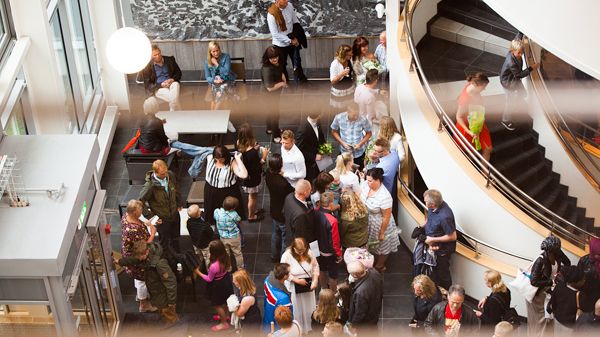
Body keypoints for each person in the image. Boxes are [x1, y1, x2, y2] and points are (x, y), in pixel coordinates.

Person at [115, 240, 179, 325]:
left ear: (147, 251)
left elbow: (171, 283)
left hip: (163, 295)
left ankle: (174, 328)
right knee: (162, 311)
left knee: (168, 314)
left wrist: (172, 302)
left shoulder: (159, 263)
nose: (140, 259)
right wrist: (119, 262)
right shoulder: (143, 253)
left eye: (141, 256)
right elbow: (134, 259)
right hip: (156, 291)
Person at [527, 235, 571, 337]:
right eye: (547, 250)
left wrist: (561, 274)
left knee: (547, 320)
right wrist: (550, 282)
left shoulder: (558, 253)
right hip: (537, 296)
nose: (549, 252)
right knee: (537, 322)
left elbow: (567, 263)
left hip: (548, 292)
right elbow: (533, 281)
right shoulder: (540, 260)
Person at [120, 200, 158, 313]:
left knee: (138, 278)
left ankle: (140, 295)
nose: (142, 212)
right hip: (137, 259)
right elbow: (143, 247)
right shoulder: (133, 230)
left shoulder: (126, 216)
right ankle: (143, 303)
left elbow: (141, 220)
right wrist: (152, 233)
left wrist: (148, 223)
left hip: (131, 255)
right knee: (142, 280)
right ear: (134, 212)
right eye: (140, 210)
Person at [360, 168, 400, 272]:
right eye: (367, 180)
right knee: (368, 243)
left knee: (382, 246)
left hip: (380, 224)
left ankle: (380, 265)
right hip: (367, 221)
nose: (367, 182)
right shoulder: (365, 184)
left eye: (370, 180)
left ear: (378, 180)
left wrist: (382, 232)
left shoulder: (385, 196)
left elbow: (386, 216)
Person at [139, 159, 182, 251]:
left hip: (174, 214)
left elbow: (176, 188)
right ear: (155, 172)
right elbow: (140, 202)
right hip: (161, 219)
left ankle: (178, 255)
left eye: (166, 171)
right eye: (162, 174)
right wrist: (152, 217)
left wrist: (179, 202)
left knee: (176, 238)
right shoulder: (149, 186)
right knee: (164, 241)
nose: (165, 175)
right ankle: (166, 258)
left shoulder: (170, 175)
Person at [280, 238, 320, 333]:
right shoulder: (287, 256)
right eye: (299, 251)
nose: (301, 253)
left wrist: (315, 280)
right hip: (294, 286)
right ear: (294, 249)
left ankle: (309, 327)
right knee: (297, 308)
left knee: (309, 306)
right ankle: (299, 329)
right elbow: (282, 272)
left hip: (307, 285)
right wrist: (296, 280)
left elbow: (315, 267)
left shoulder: (309, 252)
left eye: (303, 251)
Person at [499, 38, 540, 131]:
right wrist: (532, 68)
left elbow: (518, 36)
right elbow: (519, 75)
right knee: (509, 103)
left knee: (523, 94)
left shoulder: (515, 53)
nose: (521, 54)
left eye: (522, 52)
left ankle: (515, 105)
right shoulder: (511, 62)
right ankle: (505, 120)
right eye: (519, 52)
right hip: (508, 83)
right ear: (512, 50)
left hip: (514, 80)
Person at [193, 240, 234, 331]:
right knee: (224, 301)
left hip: (218, 285)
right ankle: (226, 316)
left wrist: (198, 272)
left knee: (217, 304)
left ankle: (224, 323)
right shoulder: (226, 257)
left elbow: (209, 279)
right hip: (225, 280)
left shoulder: (214, 266)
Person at [203, 145, 248, 226]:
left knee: (230, 214)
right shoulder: (210, 157)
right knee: (211, 214)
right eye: (217, 159)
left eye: (221, 159)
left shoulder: (232, 162)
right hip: (211, 191)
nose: (219, 161)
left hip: (228, 192)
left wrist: (238, 159)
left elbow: (244, 175)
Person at [422, 189, 457, 290]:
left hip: (442, 251)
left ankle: (448, 294)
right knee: (434, 272)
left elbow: (452, 236)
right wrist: (421, 227)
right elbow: (429, 218)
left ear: (432, 204)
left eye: (425, 201)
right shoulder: (432, 207)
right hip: (432, 245)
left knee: (443, 274)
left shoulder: (445, 216)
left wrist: (432, 239)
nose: (424, 202)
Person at [266, 0, 307, 83]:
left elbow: (295, 22)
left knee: (297, 62)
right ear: (277, 1)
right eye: (284, 0)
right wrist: (290, 41)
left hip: (293, 38)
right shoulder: (271, 15)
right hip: (280, 44)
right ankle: (285, 83)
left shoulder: (289, 6)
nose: (287, 1)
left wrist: (296, 36)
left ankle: (302, 81)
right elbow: (275, 34)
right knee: (282, 65)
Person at [455, 72, 493, 161]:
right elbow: (458, 116)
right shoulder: (465, 99)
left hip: (477, 121)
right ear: (477, 85)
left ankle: (484, 172)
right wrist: (469, 132)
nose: (484, 89)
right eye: (483, 87)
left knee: (488, 148)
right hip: (468, 126)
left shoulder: (472, 84)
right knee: (469, 151)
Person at [266, 154, 296, 261]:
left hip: (274, 209)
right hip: (282, 212)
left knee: (275, 234)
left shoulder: (268, 174)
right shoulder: (283, 184)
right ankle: (283, 259)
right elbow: (292, 191)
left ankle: (274, 256)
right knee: (285, 238)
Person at [237, 123, 269, 222]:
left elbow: (247, 157)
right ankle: (251, 216)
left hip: (246, 174)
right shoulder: (253, 153)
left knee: (253, 196)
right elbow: (258, 168)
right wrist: (264, 156)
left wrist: (255, 148)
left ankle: (254, 209)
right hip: (252, 178)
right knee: (252, 197)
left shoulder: (239, 143)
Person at [330, 102, 372, 171]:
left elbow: (369, 133)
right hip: (345, 152)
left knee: (359, 171)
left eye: (357, 114)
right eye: (354, 115)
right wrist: (342, 143)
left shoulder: (363, 119)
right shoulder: (339, 118)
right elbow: (333, 131)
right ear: (348, 112)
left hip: (359, 152)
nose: (356, 117)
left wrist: (360, 144)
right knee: (343, 171)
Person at [141, 44, 182, 114]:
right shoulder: (147, 66)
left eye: (158, 53)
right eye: (155, 55)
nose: (158, 56)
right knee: (174, 97)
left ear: (160, 52)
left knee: (176, 84)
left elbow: (179, 73)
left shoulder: (170, 60)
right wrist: (161, 85)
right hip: (159, 88)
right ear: (150, 56)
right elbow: (148, 85)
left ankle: (173, 111)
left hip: (172, 84)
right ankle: (175, 111)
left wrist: (172, 79)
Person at [346, 261, 383, 333]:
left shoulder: (360, 293)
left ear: (354, 275)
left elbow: (360, 313)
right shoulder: (375, 273)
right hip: (375, 309)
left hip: (365, 323)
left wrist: (353, 325)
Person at [315, 192, 342, 290]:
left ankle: (323, 288)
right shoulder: (332, 221)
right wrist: (338, 254)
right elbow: (334, 241)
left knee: (322, 269)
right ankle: (333, 294)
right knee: (333, 275)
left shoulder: (315, 212)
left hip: (318, 248)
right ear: (330, 204)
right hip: (329, 252)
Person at [550, 265, 586, 335]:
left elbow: (553, 302)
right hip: (569, 326)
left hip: (557, 319)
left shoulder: (559, 286)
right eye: (582, 280)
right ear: (574, 282)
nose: (584, 281)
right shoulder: (581, 296)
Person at [261, 46, 287, 143]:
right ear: (268, 58)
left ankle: (269, 129)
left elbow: (280, 70)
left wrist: (283, 77)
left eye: (276, 57)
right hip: (268, 95)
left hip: (275, 94)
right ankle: (276, 136)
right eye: (272, 58)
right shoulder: (267, 69)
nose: (275, 59)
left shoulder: (278, 62)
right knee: (275, 115)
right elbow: (269, 88)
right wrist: (282, 84)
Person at [205, 41, 237, 111]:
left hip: (228, 81)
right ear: (210, 52)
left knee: (222, 88)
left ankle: (214, 115)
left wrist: (216, 64)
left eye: (217, 50)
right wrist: (214, 80)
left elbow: (226, 72)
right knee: (217, 92)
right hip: (216, 83)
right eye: (213, 51)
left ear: (219, 49)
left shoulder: (226, 57)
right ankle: (215, 115)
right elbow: (207, 77)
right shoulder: (207, 61)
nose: (216, 53)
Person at [214, 196, 244, 270]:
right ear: (232, 208)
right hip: (234, 237)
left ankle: (228, 268)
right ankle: (240, 268)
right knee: (237, 253)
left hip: (223, 237)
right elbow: (238, 220)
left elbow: (215, 217)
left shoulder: (217, 212)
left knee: (226, 253)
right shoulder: (234, 214)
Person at [283, 179, 316, 243]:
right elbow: (301, 237)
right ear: (305, 192)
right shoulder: (301, 215)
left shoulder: (289, 196)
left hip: (289, 233)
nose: (311, 191)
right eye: (310, 189)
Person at [296, 111, 325, 183]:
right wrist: (314, 157)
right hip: (310, 163)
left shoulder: (317, 121)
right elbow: (299, 149)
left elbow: (320, 135)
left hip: (319, 156)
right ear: (318, 115)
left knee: (319, 175)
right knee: (312, 180)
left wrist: (324, 147)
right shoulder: (303, 130)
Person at [263, 263, 293, 332]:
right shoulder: (283, 298)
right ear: (285, 276)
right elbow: (286, 318)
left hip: (268, 315)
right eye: (289, 272)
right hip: (278, 327)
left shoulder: (267, 280)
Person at [186, 204, 215, 269]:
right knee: (208, 258)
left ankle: (200, 267)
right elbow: (211, 234)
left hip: (195, 244)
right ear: (199, 213)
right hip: (205, 245)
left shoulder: (189, 222)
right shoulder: (205, 225)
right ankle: (209, 270)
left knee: (199, 256)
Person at [577, 237, 600, 312]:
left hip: (597, 296)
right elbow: (577, 278)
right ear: (593, 251)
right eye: (599, 254)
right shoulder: (584, 260)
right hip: (585, 295)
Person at [329, 44, 355, 110]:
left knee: (350, 108)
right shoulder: (335, 64)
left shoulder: (349, 60)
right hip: (339, 92)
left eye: (351, 54)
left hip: (349, 89)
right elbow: (333, 82)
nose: (351, 56)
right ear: (343, 55)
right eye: (349, 55)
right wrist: (342, 74)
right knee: (340, 110)